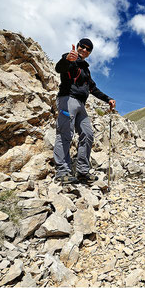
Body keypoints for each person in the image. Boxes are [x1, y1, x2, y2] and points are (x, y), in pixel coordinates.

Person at [53, 38, 116, 184]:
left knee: (87, 134)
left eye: (88, 49)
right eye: (82, 47)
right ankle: (62, 171)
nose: (84, 50)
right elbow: (60, 68)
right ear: (78, 46)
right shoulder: (70, 59)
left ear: (89, 53)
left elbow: (93, 89)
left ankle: (82, 172)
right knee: (65, 133)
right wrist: (67, 59)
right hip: (67, 99)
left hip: (81, 105)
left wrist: (108, 99)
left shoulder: (86, 70)